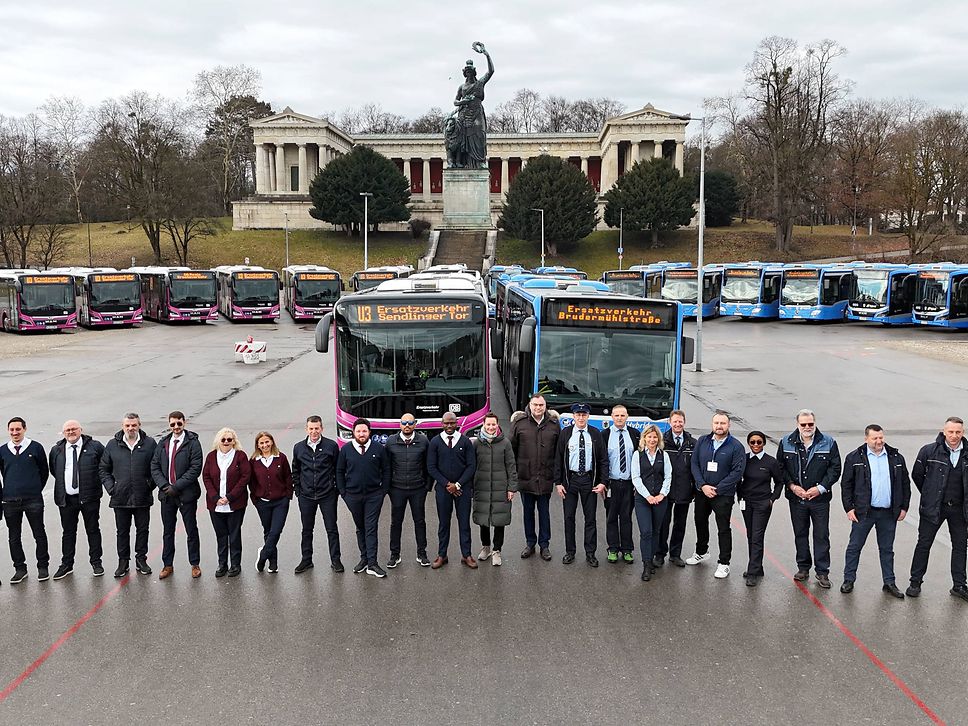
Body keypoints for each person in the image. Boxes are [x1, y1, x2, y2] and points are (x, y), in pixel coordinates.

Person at [839, 425, 910, 599]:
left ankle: (889, 582)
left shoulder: (896, 457)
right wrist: (849, 508)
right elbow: (846, 485)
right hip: (864, 512)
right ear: (866, 439)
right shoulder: (854, 458)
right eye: (874, 438)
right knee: (854, 547)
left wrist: (904, 507)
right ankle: (849, 579)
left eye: (880, 437)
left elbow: (905, 484)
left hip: (888, 513)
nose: (879, 441)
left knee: (887, 549)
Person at [777, 409, 842, 589]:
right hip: (796, 499)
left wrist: (820, 488)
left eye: (810, 424)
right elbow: (780, 467)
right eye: (803, 424)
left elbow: (835, 469)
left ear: (815, 423)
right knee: (800, 533)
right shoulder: (785, 442)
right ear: (797, 424)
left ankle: (822, 572)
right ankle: (803, 567)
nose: (807, 427)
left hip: (819, 500)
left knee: (821, 535)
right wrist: (792, 486)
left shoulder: (828, 442)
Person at [906, 416, 968, 602]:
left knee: (960, 546)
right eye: (951, 432)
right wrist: (930, 494)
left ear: (963, 432)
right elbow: (917, 475)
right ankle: (915, 582)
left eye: (958, 432)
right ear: (944, 431)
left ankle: (959, 585)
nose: (954, 436)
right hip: (934, 508)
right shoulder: (929, 451)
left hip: (959, 509)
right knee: (924, 544)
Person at [687, 411, 746, 579]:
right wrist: (703, 485)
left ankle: (724, 563)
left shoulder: (736, 446)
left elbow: (737, 472)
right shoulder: (703, 441)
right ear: (712, 424)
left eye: (723, 423)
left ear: (729, 425)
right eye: (716, 423)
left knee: (723, 529)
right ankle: (701, 551)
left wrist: (717, 489)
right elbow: (694, 463)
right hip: (702, 491)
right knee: (700, 522)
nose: (719, 426)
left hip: (723, 495)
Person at [99, 413, 157, 578]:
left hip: (142, 496)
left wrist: (149, 485)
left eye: (134, 425)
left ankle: (141, 560)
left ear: (139, 425)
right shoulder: (112, 445)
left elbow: (156, 467)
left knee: (142, 530)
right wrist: (112, 488)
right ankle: (123, 562)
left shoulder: (150, 443)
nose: (131, 428)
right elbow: (103, 469)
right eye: (127, 426)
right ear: (123, 426)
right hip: (120, 497)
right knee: (122, 532)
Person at [49, 420, 105, 580]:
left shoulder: (95, 447)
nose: (71, 432)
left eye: (74, 429)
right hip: (66, 500)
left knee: (93, 530)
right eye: (67, 430)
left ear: (81, 430)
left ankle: (96, 562)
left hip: (89, 498)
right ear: (63, 432)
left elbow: (104, 467)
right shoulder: (57, 450)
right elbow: (54, 470)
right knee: (68, 532)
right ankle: (67, 564)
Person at [553, 403, 608, 567]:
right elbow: (558, 458)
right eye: (578, 415)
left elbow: (603, 460)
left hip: (589, 480)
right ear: (574, 416)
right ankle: (570, 552)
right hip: (570, 480)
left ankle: (590, 553)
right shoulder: (566, 433)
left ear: (588, 416)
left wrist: (603, 482)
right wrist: (558, 483)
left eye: (584, 415)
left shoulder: (595, 433)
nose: (581, 417)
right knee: (569, 517)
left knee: (590, 518)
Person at [151, 411, 203, 580]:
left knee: (191, 529)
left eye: (179, 424)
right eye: (172, 424)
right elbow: (155, 466)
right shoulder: (164, 443)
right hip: (167, 495)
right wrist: (165, 486)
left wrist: (177, 486)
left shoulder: (193, 443)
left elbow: (195, 468)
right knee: (168, 531)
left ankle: (195, 564)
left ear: (184, 423)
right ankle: (167, 564)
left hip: (186, 494)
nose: (176, 427)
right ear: (169, 425)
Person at [336, 418, 390, 578]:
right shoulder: (346, 450)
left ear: (369, 433)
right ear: (353, 432)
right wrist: (343, 493)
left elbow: (386, 470)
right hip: (352, 496)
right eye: (358, 431)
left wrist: (383, 491)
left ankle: (372, 564)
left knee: (371, 527)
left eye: (364, 431)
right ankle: (364, 559)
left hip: (374, 496)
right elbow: (339, 471)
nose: (361, 434)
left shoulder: (378, 448)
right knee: (361, 528)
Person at [0, 417, 50, 584]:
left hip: (33, 499)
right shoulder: (2, 450)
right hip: (9, 501)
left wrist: (35, 488)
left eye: (18, 429)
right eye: (12, 430)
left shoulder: (35, 447)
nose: (15, 433)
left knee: (39, 534)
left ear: (24, 429)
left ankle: (43, 567)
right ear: (8, 431)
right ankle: (20, 569)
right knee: (14, 537)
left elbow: (44, 471)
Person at [509, 393, 559, 561]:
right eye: (535, 405)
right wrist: (513, 477)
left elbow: (559, 453)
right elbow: (511, 452)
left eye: (541, 405)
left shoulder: (554, 425)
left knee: (544, 513)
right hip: (526, 477)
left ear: (546, 407)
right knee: (528, 512)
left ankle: (544, 545)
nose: (538, 408)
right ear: (530, 406)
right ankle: (530, 543)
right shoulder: (519, 424)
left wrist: (556, 477)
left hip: (545, 477)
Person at [292, 415, 342, 574]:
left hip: (327, 495)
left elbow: (337, 470)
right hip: (306, 496)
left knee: (331, 529)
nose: (314, 431)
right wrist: (298, 490)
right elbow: (296, 470)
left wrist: (336, 490)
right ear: (306, 429)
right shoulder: (298, 447)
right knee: (307, 529)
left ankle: (336, 560)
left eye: (317, 428)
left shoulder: (331, 446)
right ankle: (306, 560)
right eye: (311, 428)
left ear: (321, 428)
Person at [427, 411, 478, 569]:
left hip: (462, 490)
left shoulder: (465, 442)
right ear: (442, 424)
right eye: (446, 423)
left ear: (457, 423)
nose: (449, 426)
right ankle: (442, 555)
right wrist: (447, 484)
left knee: (464, 523)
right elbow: (431, 467)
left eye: (452, 423)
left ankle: (466, 555)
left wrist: (458, 485)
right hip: (443, 490)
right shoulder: (435, 442)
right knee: (444, 523)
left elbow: (471, 466)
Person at [737, 431, 784, 587]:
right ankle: (758, 567)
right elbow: (737, 479)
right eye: (752, 442)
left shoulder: (771, 462)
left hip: (762, 503)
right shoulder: (744, 459)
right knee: (751, 535)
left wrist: (772, 500)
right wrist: (739, 497)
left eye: (759, 442)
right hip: (746, 503)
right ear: (749, 443)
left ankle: (752, 572)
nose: (756, 445)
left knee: (757, 536)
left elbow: (779, 482)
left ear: (763, 443)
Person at [384, 413, 431, 568]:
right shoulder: (391, 442)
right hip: (397, 489)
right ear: (400, 424)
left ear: (415, 424)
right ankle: (395, 555)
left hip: (418, 489)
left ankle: (422, 553)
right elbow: (386, 467)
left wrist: (427, 487)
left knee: (420, 521)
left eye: (410, 422)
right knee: (396, 522)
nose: (407, 425)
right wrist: (388, 488)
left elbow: (428, 466)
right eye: (404, 422)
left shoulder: (423, 441)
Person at [202, 428, 250, 578]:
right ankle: (222, 563)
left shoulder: (240, 456)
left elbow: (245, 477)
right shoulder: (211, 457)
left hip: (235, 503)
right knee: (221, 535)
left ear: (234, 441)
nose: (226, 442)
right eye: (223, 440)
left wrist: (230, 496)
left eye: (230, 439)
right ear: (218, 441)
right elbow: (206, 477)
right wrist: (215, 497)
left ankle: (235, 564)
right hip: (215, 504)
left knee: (234, 534)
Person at [472, 413, 518, 567]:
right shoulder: (476, 444)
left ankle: (497, 550)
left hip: (501, 488)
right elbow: (471, 466)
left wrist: (512, 487)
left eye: (493, 424)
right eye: (488, 424)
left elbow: (511, 466)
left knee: (499, 520)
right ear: (483, 425)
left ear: (498, 425)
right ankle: (486, 547)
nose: (491, 427)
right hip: (482, 487)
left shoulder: (505, 443)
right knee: (483, 520)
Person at [631, 424, 671, 582]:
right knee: (646, 531)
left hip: (660, 499)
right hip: (643, 499)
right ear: (644, 438)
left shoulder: (664, 455)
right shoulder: (637, 454)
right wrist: (648, 496)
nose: (652, 439)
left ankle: (652, 559)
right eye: (649, 436)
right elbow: (636, 478)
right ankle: (646, 564)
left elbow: (668, 476)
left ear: (658, 439)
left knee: (656, 531)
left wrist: (662, 494)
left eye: (655, 437)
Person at [248, 431, 293, 574]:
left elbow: (288, 477)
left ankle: (263, 556)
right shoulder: (254, 461)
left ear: (272, 442)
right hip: (263, 502)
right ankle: (273, 563)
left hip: (280, 502)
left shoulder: (281, 458)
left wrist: (287, 497)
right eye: (261, 443)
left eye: (267, 442)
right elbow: (252, 482)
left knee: (276, 531)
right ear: (258, 445)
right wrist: (256, 499)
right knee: (268, 531)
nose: (265, 445)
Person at [657, 410, 696, 568]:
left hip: (685, 490)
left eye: (680, 421)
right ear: (670, 422)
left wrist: (694, 489)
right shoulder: (662, 441)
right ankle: (659, 554)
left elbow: (696, 467)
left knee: (680, 524)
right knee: (662, 524)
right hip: (665, 491)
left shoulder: (693, 443)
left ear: (684, 422)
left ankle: (675, 554)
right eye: (675, 422)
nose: (678, 424)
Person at [602, 405, 637, 564]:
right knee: (611, 517)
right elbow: (601, 461)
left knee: (626, 517)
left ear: (627, 416)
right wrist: (602, 483)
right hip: (611, 484)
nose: (619, 418)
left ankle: (627, 549)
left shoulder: (635, 435)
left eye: (622, 415)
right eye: (616, 415)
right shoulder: (605, 435)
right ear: (612, 417)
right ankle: (613, 548)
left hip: (629, 483)